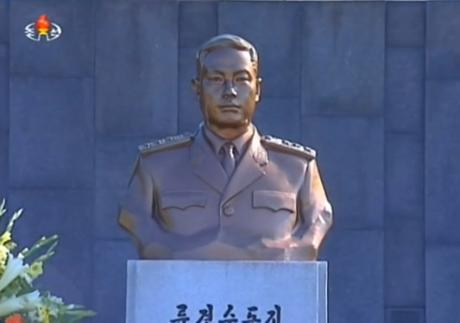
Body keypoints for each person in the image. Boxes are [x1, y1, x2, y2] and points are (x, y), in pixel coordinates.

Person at [118, 34, 332, 260]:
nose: (229, 91)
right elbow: (135, 218)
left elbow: (317, 222)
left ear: (257, 89)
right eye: (216, 79)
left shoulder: (297, 168)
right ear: (197, 88)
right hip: (182, 291)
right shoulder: (156, 166)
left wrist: (292, 251)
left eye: (241, 79)